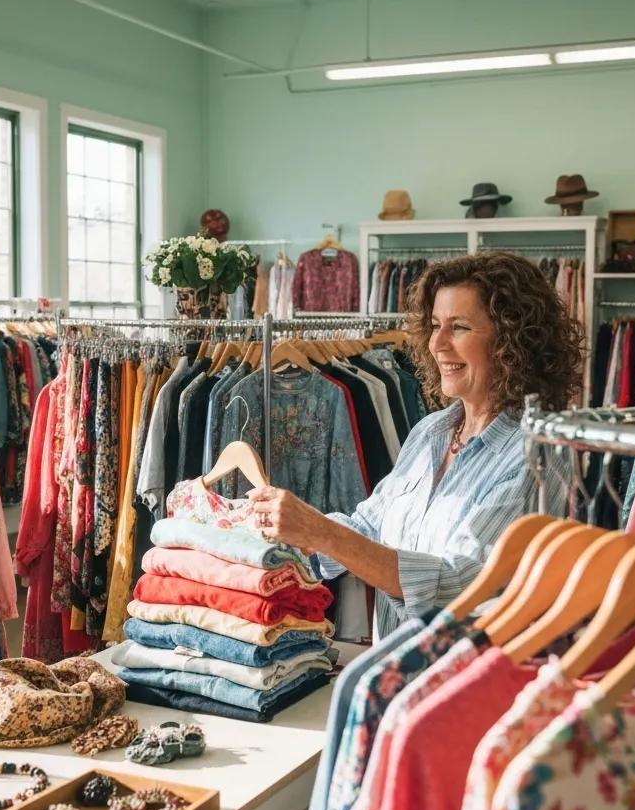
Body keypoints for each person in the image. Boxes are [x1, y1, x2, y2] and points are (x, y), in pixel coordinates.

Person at [247, 251, 583, 639]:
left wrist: (322, 534)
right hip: (395, 673)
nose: (437, 343)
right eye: (435, 325)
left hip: (466, 683)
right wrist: (288, 530)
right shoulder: (431, 432)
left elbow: (461, 587)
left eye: (458, 327)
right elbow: (368, 526)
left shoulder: (535, 453)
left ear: (512, 341)